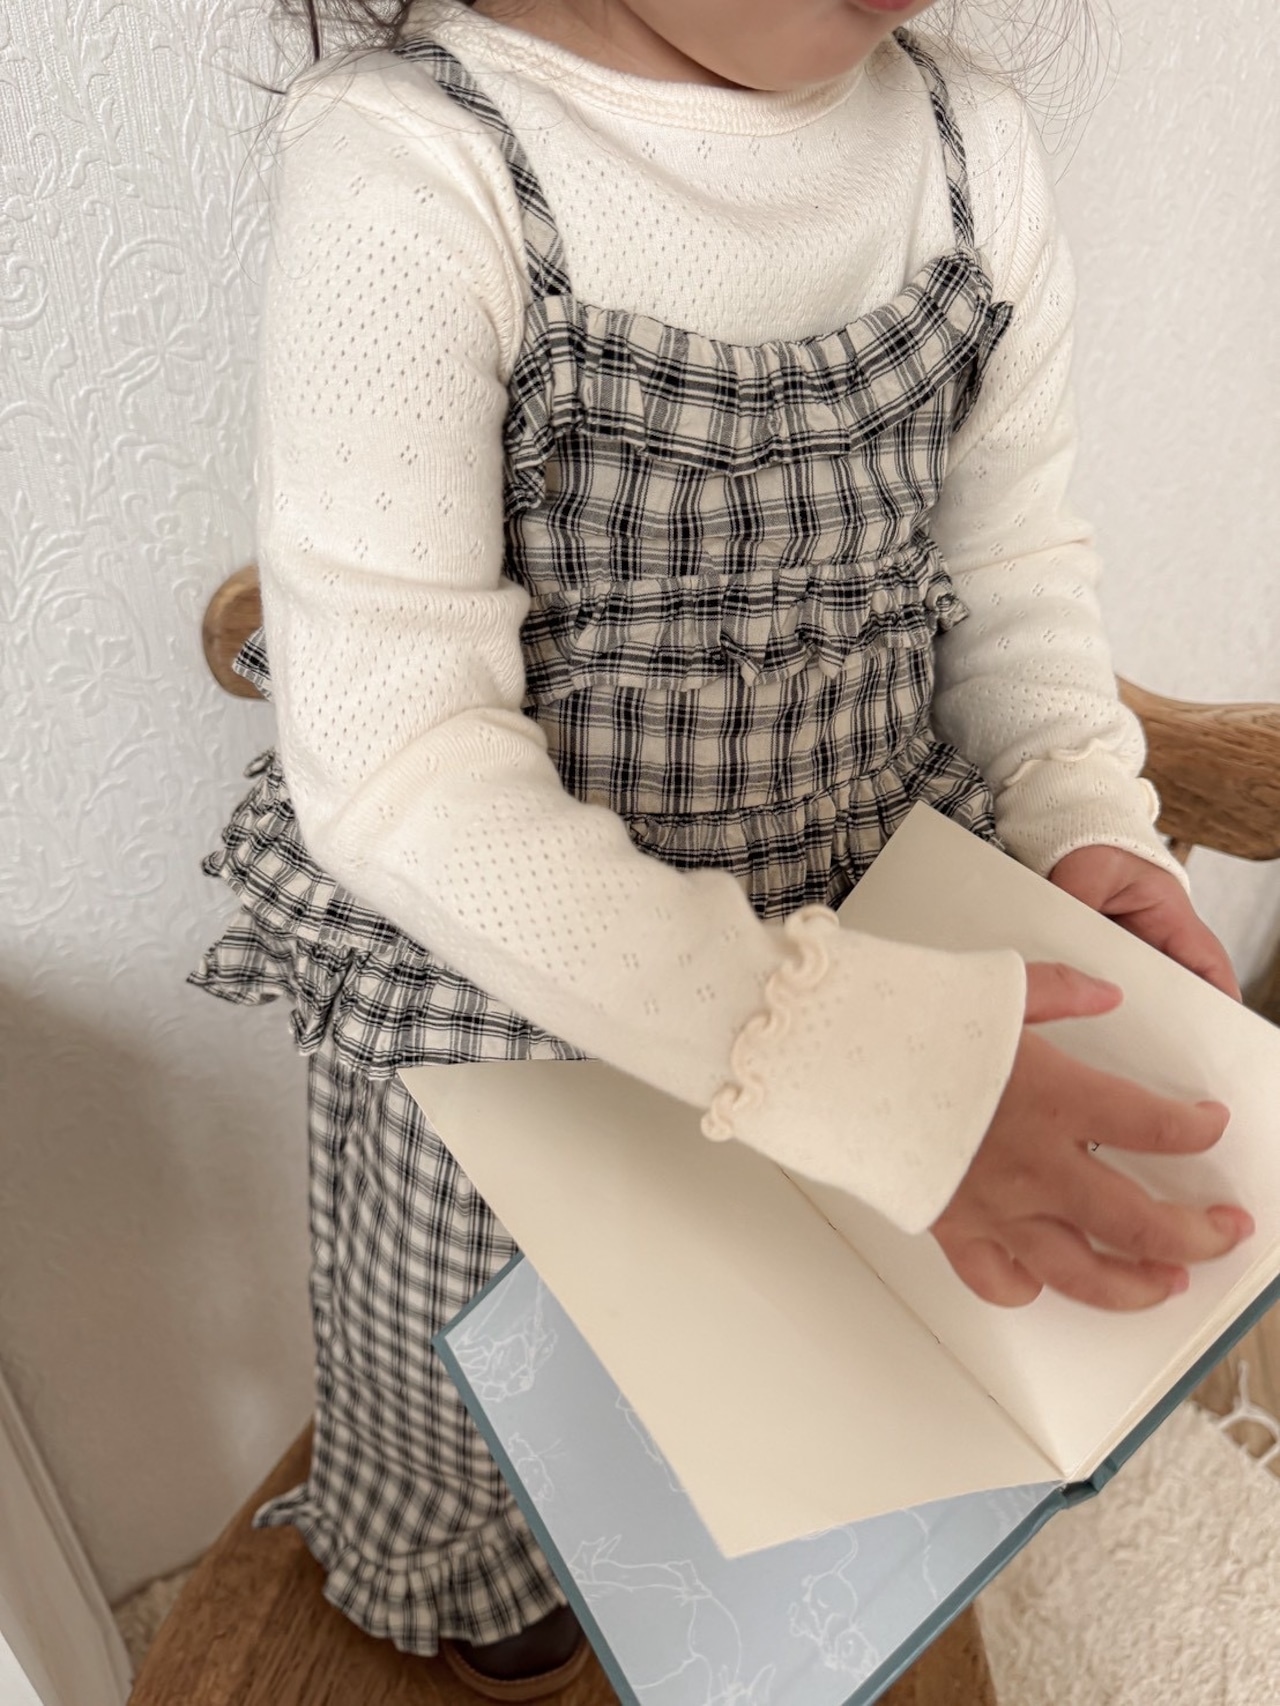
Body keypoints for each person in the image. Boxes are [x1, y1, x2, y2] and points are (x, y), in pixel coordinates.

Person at [192, 0, 1255, 1690]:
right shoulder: (418, 169)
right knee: (501, 1432)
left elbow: (1012, 575)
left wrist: (1083, 819)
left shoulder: (968, 153)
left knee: (820, 1423)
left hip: (892, 955)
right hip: (518, 1039)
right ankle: (505, 1620)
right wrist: (849, 1058)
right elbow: (400, 770)